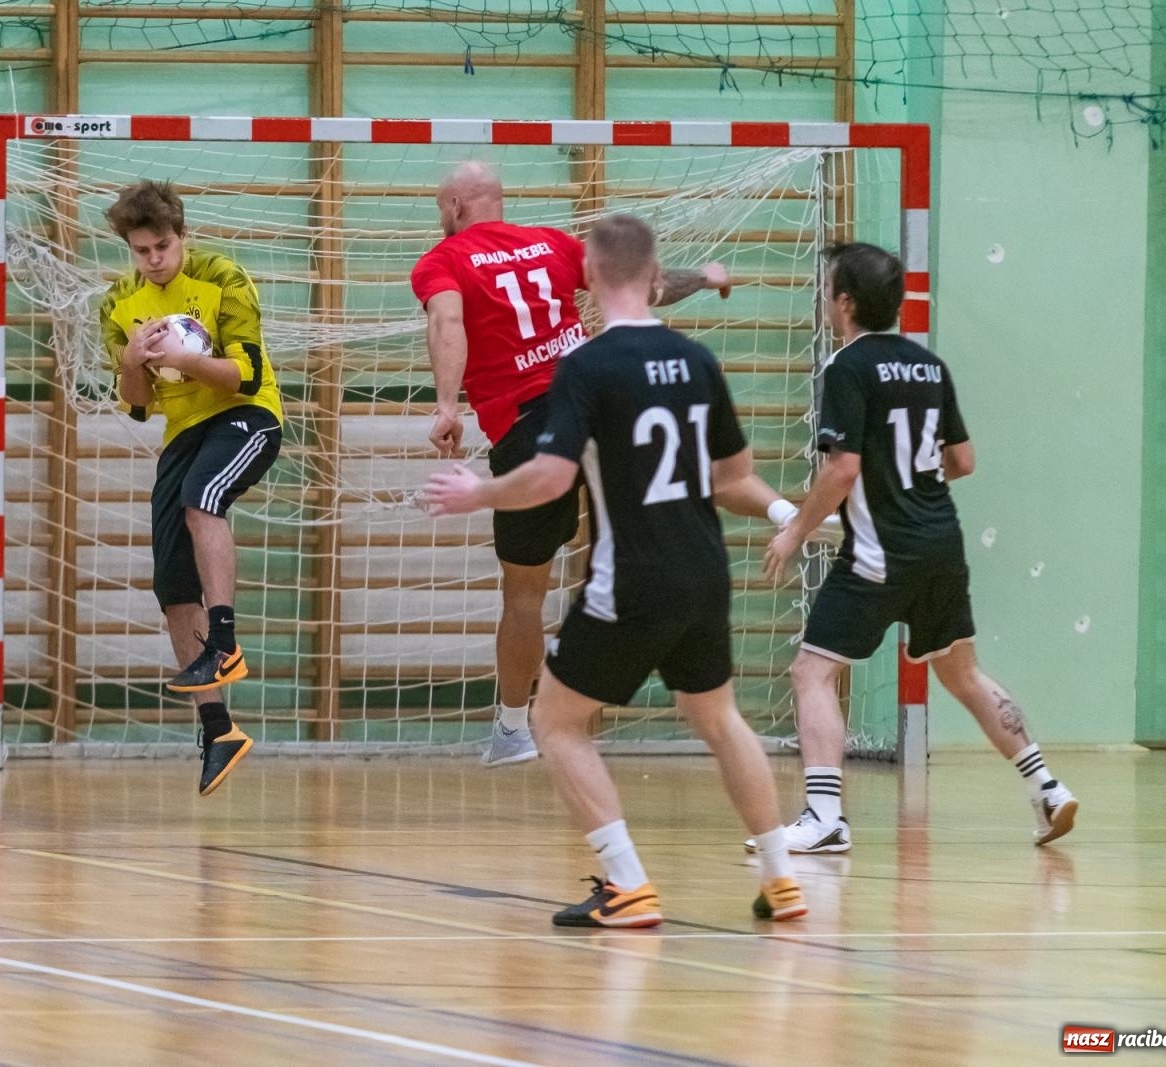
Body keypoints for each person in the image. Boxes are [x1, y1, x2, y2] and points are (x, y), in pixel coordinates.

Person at [424, 213, 808, 927]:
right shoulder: (698, 360)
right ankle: (783, 879)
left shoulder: (587, 366)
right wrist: (792, 513)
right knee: (718, 717)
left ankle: (627, 883)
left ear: (591, 277)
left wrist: (477, 493)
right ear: (657, 278)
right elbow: (732, 480)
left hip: (629, 574)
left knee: (555, 722)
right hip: (705, 567)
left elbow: (547, 477)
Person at [411, 161, 743, 767]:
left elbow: (447, 320)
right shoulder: (550, 242)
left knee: (525, 590)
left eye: (441, 206)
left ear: (457, 206)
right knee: (653, 530)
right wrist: (709, 274)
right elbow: (649, 285)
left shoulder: (443, 260)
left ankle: (515, 728)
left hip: (529, 423)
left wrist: (446, 404)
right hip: (602, 397)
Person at [760, 241, 1078, 853]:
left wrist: (795, 531)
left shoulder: (846, 368)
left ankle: (824, 817)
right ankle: (1047, 788)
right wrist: (907, 485)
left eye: (829, 289)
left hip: (882, 552)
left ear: (845, 301)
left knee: (812, 671)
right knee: (962, 673)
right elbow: (962, 460)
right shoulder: (930, 366)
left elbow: (842, 469)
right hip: (941, 541)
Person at [99, 179, 284, 796]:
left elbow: (244, 374)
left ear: (182, 235)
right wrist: (133, 361)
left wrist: (183, 353)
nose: (155, 259)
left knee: (204, 496)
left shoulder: (222, 278)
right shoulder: (119, 304)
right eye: (142, 249)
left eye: (163, 245)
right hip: (182, 432)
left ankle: (225, 641)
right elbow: (137, 407)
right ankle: (218, 728)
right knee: (173, 584)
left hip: (246, 415)